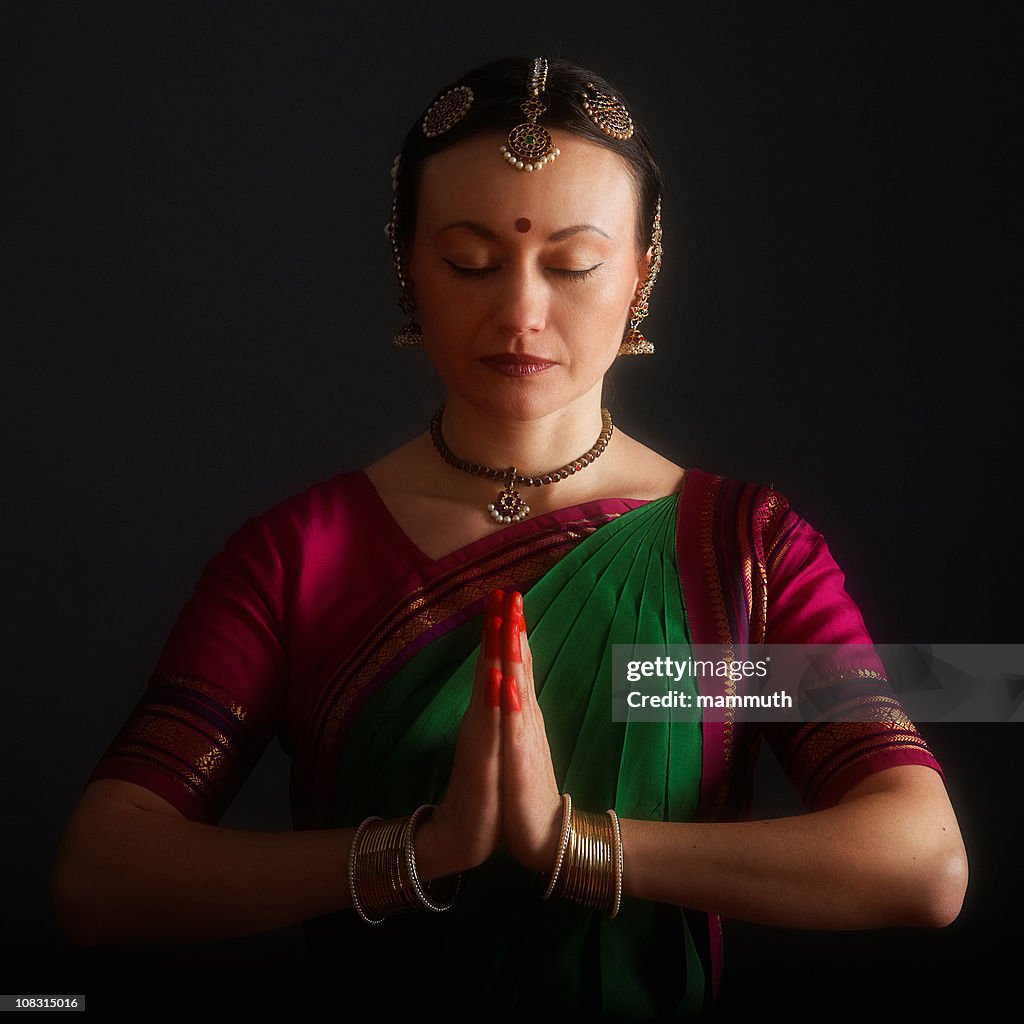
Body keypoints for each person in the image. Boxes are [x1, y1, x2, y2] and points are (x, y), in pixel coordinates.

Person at [51, 56, 967, 1018]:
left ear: (644, 272)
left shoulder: (738, 555)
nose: (521, 312)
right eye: (470, 262)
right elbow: (103, 879)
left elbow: (921, 861)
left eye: (573, 265)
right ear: (407, 264)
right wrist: (423, 851)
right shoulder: (297, 556)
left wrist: (574, 844)